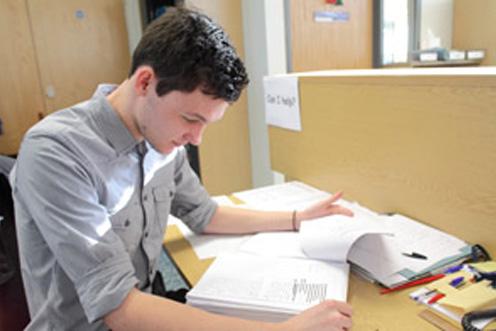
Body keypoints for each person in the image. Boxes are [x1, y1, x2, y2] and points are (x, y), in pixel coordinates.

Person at [11, 7, 354, 331]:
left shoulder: (161, 139)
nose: (196, 139)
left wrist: (296, 218)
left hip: (148, 303)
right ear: (145, 83)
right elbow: (119, 309)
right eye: (191, 119)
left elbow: (205, 214)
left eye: (207, 124)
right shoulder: (57, 152)